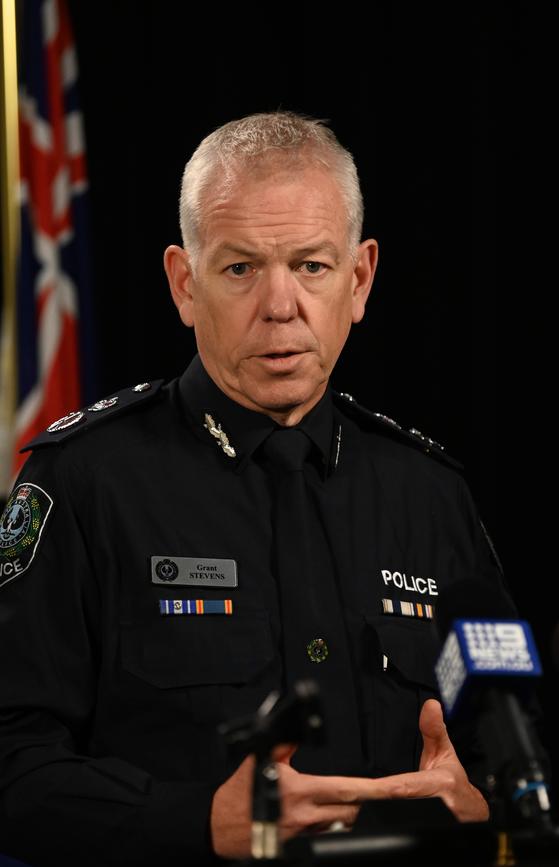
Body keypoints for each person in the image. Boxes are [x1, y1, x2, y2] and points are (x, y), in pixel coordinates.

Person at [0, 111, 515, 866]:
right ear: (184, 283)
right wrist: (195, 821)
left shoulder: (429, 494)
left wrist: (488, 809)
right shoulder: (83, 482)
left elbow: (512, 742)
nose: (280, 305)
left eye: (311, 265)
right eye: (241, 267)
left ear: (360, 278)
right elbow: (11, 761)